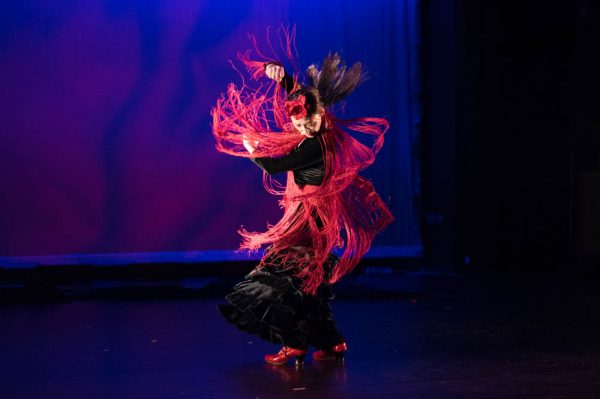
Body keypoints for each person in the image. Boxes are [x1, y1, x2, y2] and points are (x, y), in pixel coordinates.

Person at [211, 32, 393, 366]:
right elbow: (301, 95)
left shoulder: (314, 145)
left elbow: (274, 166)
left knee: (280, 277)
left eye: (309, 120)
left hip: (307, 222)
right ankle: (331, 341)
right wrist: (276, 72)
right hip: (314, 217)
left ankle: (293, 343)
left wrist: (253, 151)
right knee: (309, 282)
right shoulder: (324, 126)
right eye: (298, 122)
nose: (305, 126)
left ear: (322, 115)